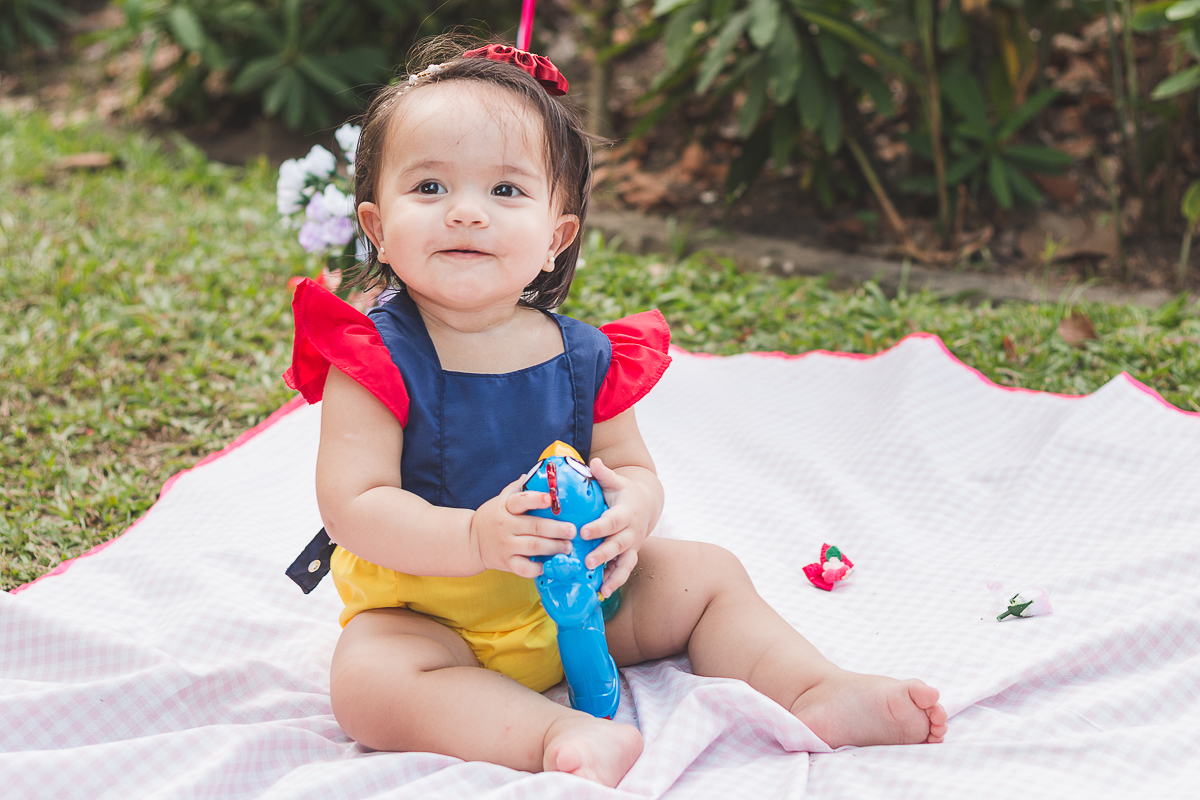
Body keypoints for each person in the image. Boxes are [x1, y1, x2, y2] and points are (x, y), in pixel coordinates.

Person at [283, 39, 948, 789]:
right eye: (430, 187)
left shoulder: (582, 357)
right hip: (431, 615)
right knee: (368, 683)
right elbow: (354, 507)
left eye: (505, 192)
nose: (466, 213)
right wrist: (474, 535)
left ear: (556, 237)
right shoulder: (374, 354)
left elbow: (629, 466)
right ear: (375, 225)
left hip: (585, 600)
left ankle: (811, 689)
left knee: (709, 576)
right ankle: (551, 735)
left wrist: (633, 509)